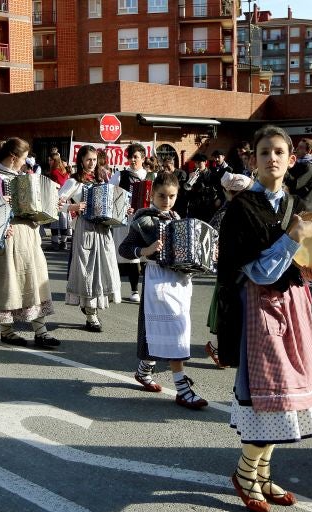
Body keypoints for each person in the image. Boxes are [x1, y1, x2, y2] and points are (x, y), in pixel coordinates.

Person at [215, 125, 312, 512]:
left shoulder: (294, 203)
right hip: (259, 310)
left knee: (286, 397)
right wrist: (295, 236)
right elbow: (259, 272)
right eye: (265, 152)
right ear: (253, 160)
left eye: (279, 151)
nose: (272, 158)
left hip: (293, 306)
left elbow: (294, 261)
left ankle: (262, 473)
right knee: (269, 398)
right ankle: (245, 473)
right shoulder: (242, 207)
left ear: (291, 159)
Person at [118, 172, 208, 410]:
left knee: (163, 331)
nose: (166, 201)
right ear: (151, 194)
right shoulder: (143, 220)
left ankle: (143, 371)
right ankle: (182, 388)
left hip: (179, 281)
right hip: (157, 279)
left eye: (171, 196)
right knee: (175, 331)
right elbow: (125, 249)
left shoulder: (178, 218)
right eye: (161, 196)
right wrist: (145, 250)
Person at [0, 137, 59, 349]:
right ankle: (7, 331)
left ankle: (41, 332)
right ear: (13, 157)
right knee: (8, 285)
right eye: (23, 157)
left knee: (33, 283)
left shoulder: (25, 177)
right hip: (7, 235)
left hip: (29, 235)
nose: (26, 161)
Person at [64, 144, 120, 332]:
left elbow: (111, 204)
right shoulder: (74, 181)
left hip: (102, 230)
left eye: (94, 160)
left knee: (102, 269)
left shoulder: (102, 179)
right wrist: (72, 208)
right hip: (85, 229)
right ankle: (91, 315)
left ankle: (93, 310)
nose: (91, 163)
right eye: (88, 159)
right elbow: (55, 202)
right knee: (87, 270)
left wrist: (121, 210)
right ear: (80, 160)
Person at [204, 171, 254, 368]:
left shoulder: (238, 210)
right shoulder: (227, 213)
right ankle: (217, 347)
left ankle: (221, 346)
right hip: (231, 270)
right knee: (229, 313)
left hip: (240, 268)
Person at [111, 143, 152, 303]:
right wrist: (122, 208)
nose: (132, 160)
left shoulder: (151, 176)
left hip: (147, 221)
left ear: (143, 158)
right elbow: (110, 196)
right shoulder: (120, 175)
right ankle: (134, 290)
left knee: (147, 257)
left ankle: (146, 291)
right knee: (131, 256)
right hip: (127, 220)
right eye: (130, 156)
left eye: (136, 156)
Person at [285, 137, 312, 212]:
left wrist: (284, 171)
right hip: (296, 205)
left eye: (300, 147)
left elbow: (296, 185)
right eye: (297, 146)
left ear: (308, 151)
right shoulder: (299, 163)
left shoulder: (309, 166)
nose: (296, 149)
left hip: (303, 209)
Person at [47, 152, 72, 250]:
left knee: (54, 221)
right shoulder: (64, 171)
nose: (49, 162)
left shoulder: (54, 172)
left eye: (50, 160)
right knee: (64, 222)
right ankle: (63, 243)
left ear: (54, 161)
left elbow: (53, 186)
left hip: (56, 198)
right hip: (65, 198)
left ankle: (55, 243)